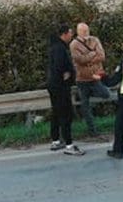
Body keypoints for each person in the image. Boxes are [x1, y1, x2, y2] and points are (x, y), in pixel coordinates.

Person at [45, 24, 83, 156]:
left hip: (53, 85)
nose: (71, 35)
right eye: (70, 33)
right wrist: (67, 74)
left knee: (56, 113)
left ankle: (56, 141)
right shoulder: (60, 48)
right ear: (64, 34)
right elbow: (60, 65)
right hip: (60, 86)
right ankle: (69, 145)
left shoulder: (54, 47)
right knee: (66, 115)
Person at [70, 22, 113, 137]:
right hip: (82, 79)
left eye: (87, 30)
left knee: (105, 94)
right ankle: (92, 130)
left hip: (95, 77)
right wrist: (92, 54)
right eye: (83, 31)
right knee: (85, 107)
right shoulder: (74, 44)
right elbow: (80, 60)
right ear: (78, 32)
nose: (86, 33)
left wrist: (88, 59)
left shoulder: (94, 40)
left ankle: (90, 93)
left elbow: (102, 56)